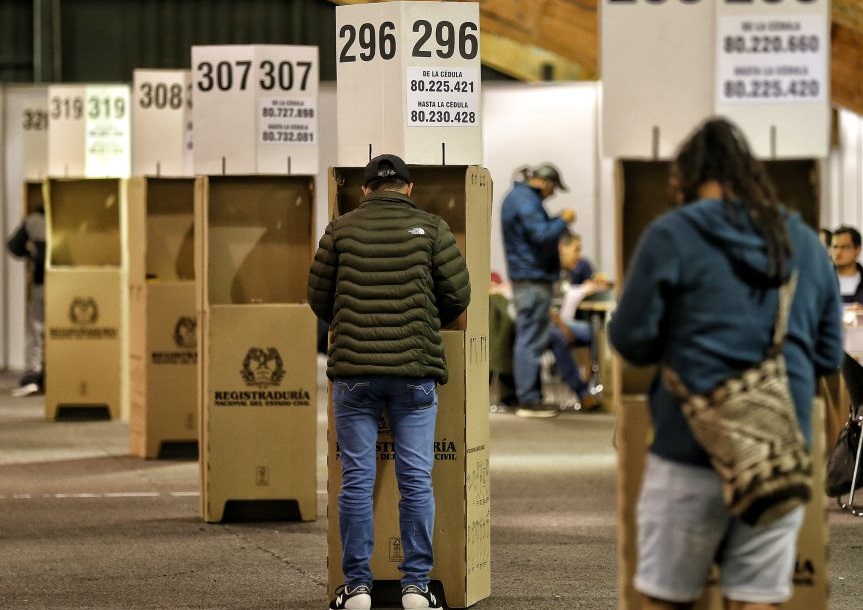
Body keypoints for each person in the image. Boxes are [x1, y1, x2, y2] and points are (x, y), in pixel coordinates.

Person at [609, 117, 843, 610]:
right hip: (776, 453)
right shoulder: (804, 243)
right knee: (756, 600)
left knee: (669, 599)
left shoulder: (671, 235)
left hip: (689, 445)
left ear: (686, 179)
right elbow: (826, 354)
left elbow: (630, 340)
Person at [308, 154, 470, 610]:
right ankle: (416, 588)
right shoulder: (433, 228)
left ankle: (356, 587)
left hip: (355, 372)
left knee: (356, 482)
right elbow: (460, 293)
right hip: (414, 371)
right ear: (409, 188)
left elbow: (317, 296)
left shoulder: (339, 230)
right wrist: (419, 319)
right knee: (416, 479)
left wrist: (354, 319)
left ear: (364, 190)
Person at [501, 163, 576, 418]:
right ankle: (529, 400)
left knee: (529, 339)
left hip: (528, 280)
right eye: (553, 188)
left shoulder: (518, 198)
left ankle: (529, 396)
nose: (552, 194)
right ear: (544, 182)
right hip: (532, 280)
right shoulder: (525, 201)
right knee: (531, 341)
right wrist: (562, 220)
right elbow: (542, 236)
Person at [548, 233, 606, 409]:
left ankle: (591, 380)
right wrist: (563, 325)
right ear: (562, 248)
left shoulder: (572, 270)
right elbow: (548, 307)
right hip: (552, 323)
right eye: (576, 249)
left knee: (597, 332)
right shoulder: (550, 271)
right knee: (595, 333)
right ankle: (588, 386)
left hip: (564, 321)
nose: (579, 255)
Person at [7, 205, 46, 397]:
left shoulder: (34, 220)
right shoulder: (74, 217)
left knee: (37, 330)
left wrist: (31, 254)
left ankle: (33, 375)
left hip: (41, 281)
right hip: (72, 283)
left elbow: (13, 246)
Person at [830, 225, 863, 305]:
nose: (838, 252)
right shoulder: (821, 280)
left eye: (844, 247)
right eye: (835, 247)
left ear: (857, 249)